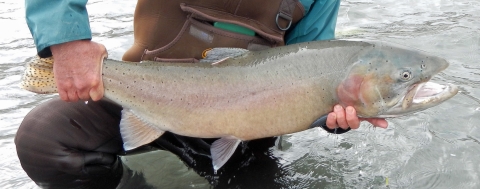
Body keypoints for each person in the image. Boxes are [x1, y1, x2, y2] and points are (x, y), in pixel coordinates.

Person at [16, 0, 388, 188]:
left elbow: (313, 69)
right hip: (143, 94)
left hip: (242, 131)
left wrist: (334, 117)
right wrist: (66, 41)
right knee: (42, 140)